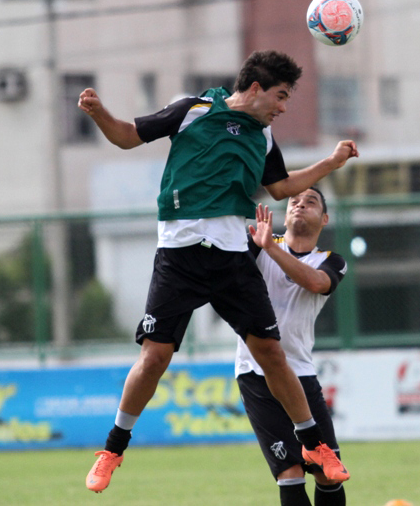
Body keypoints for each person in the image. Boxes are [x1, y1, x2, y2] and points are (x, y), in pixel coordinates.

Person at [77, 50, 358, 493]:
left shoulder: (263, 137)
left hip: (230, 259)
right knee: (155, 358)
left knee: (271, 352)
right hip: (180, 257)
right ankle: (112, 450)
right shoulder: (194, 110)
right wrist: (99, 114)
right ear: (254, 88)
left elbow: (280, 186)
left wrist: (330, 163)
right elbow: (129, 137)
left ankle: (313, 444)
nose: (283, 108)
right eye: (280, 97)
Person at [237, 187, 347, 506]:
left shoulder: (331, 261)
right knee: (290, 471)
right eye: (293, 202)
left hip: (300, 374)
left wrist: (269, 246)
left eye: (310, 202)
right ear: (284, 215)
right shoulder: (255, 247)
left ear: (324, 219)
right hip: (255, 372)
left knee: (327, 472)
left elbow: (314, 283)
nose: (300, 205)